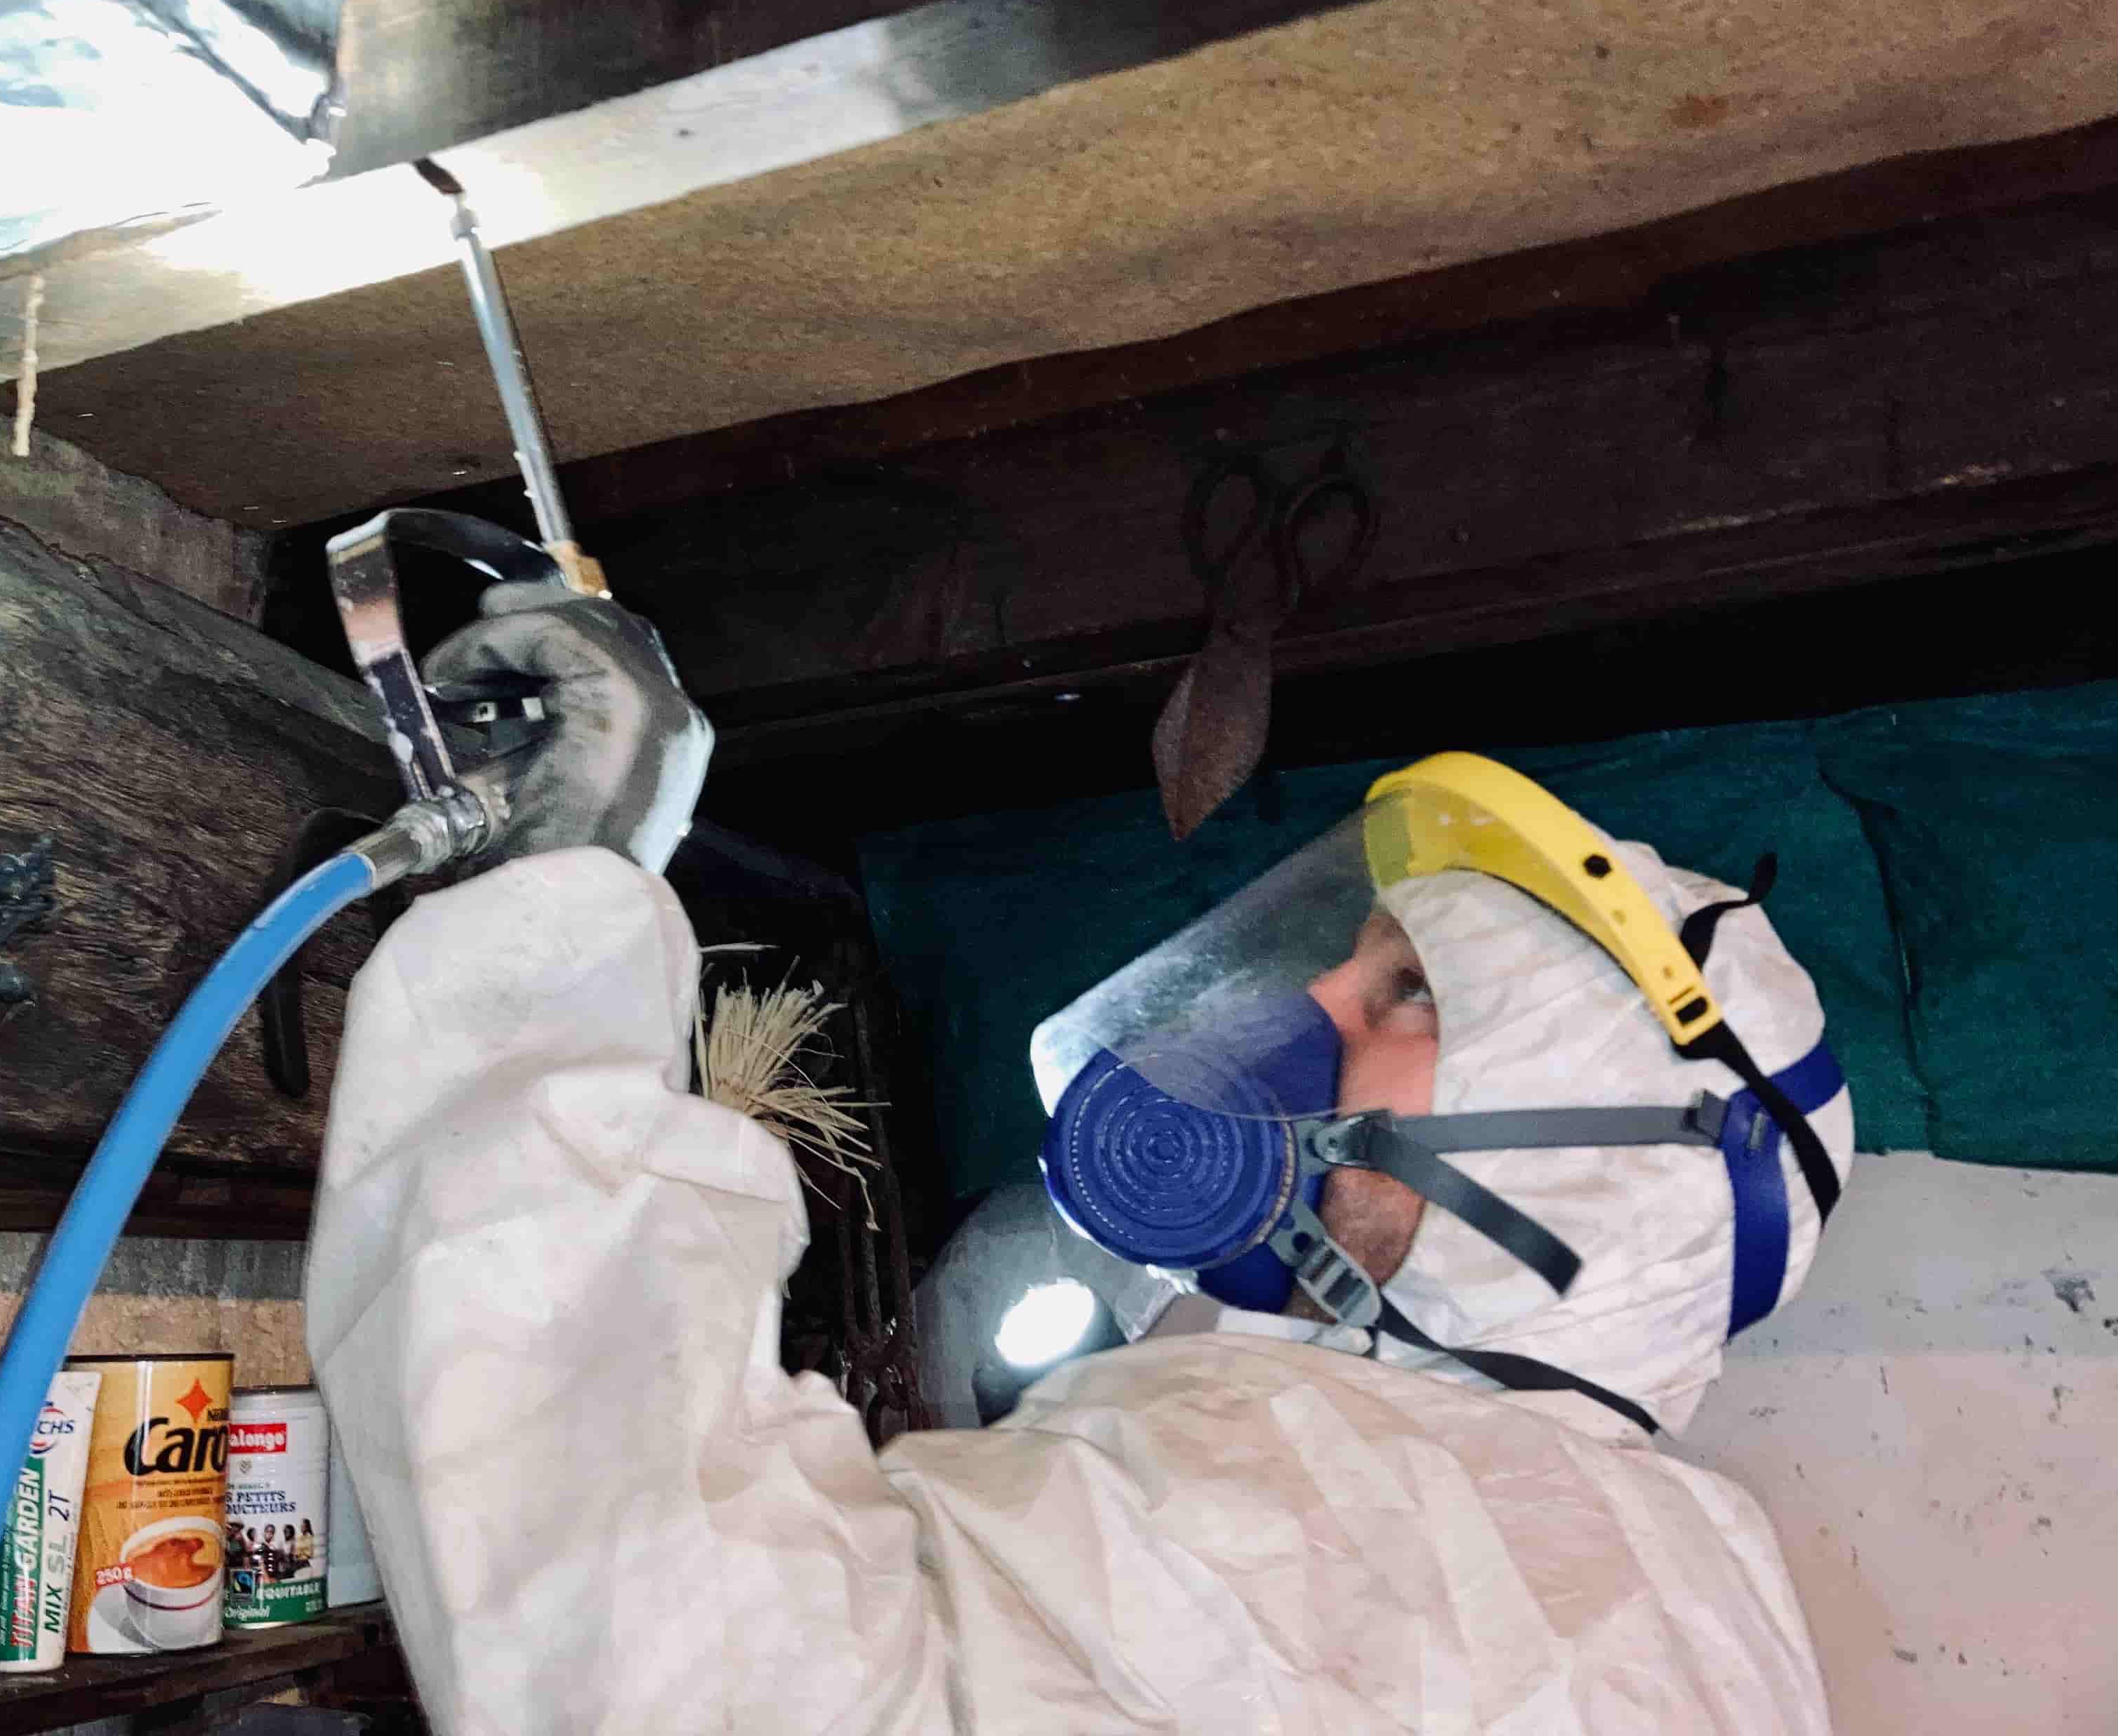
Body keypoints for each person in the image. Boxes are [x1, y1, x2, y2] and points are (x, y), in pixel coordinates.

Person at [306, 590, 1850, 1733]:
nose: (1300, 1012)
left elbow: (649, 1664)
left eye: (1408, 995)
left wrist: (549, 940)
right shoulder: (1672, 1570)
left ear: (1607, 1165)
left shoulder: (1336, 1513)